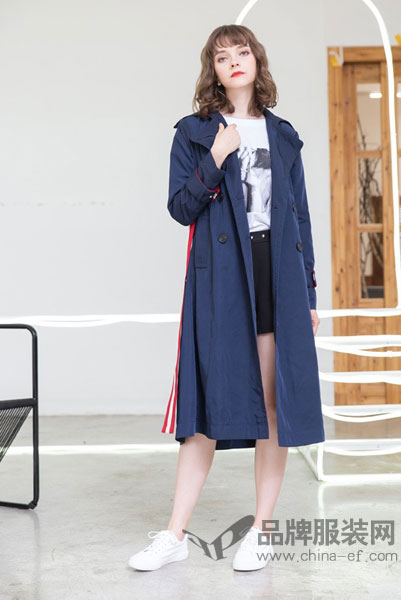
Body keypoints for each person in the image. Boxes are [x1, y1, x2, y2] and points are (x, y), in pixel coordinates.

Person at [129, 23, 324, 573]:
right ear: (212, 70)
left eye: (242, 52)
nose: (234, 61)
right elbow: (180, 208)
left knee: (274, 403)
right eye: (222, 56)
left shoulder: (283, 135)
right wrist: (215, 157)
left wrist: (309, 293)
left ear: (257, 61)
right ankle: (174, 535)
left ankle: (261, 530)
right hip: (222, 276)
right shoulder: (194, 132)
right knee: (207, 410)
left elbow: (300, 219)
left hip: (278, 274)